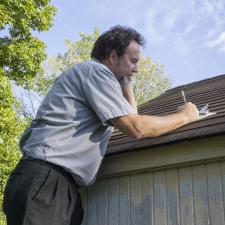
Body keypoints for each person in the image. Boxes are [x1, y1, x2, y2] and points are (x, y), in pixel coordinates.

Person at [3, 25, 199, 225]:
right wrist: (184, 116)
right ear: (113, 57)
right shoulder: (95, 71)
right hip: (46, 183)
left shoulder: (96, 80)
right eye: (133, 61)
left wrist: (126, 83)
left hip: (56, 186)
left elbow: (131, 115)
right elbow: (137, 127)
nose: (136, 69)